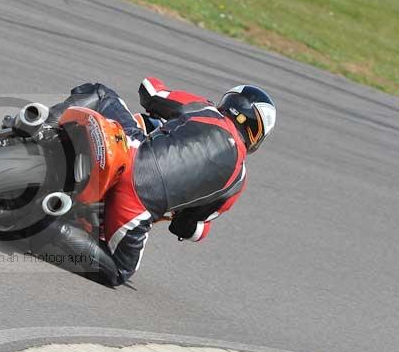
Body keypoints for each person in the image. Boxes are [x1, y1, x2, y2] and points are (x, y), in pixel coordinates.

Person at [32, 78, 276, 286]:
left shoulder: (205, 110)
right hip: (137, 207)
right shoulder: (238, 181)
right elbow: (184, 226)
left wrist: (160, 99)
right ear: (258, 135)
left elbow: (151, 91)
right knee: (119, 270)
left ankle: (40, 127)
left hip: (129, 152)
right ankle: (52, 228)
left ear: (229, 102)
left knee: (100, 92)